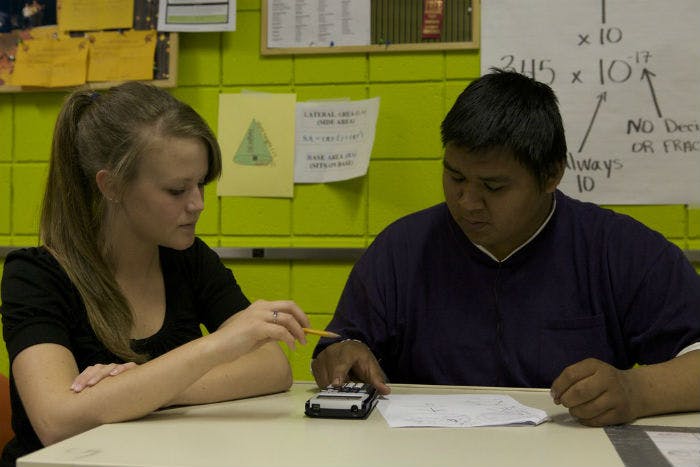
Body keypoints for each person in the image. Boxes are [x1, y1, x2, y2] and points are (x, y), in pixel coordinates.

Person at [311, 68, 700, 427]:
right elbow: (339, 349)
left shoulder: (619, 250)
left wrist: (635, 391)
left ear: (551, 175)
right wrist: (340, 354)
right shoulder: (401, 251)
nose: (466, 201)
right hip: (428, 452)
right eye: (454, 176)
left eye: (493, 187)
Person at [0, 82, 311, 466]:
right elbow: (58, 420)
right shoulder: (35, 275)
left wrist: (133, 389)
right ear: (111, 185)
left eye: (200, 184)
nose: (197, 204)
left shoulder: (188, 259)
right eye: (177, 190)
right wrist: (217, 346)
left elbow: (273, 368)